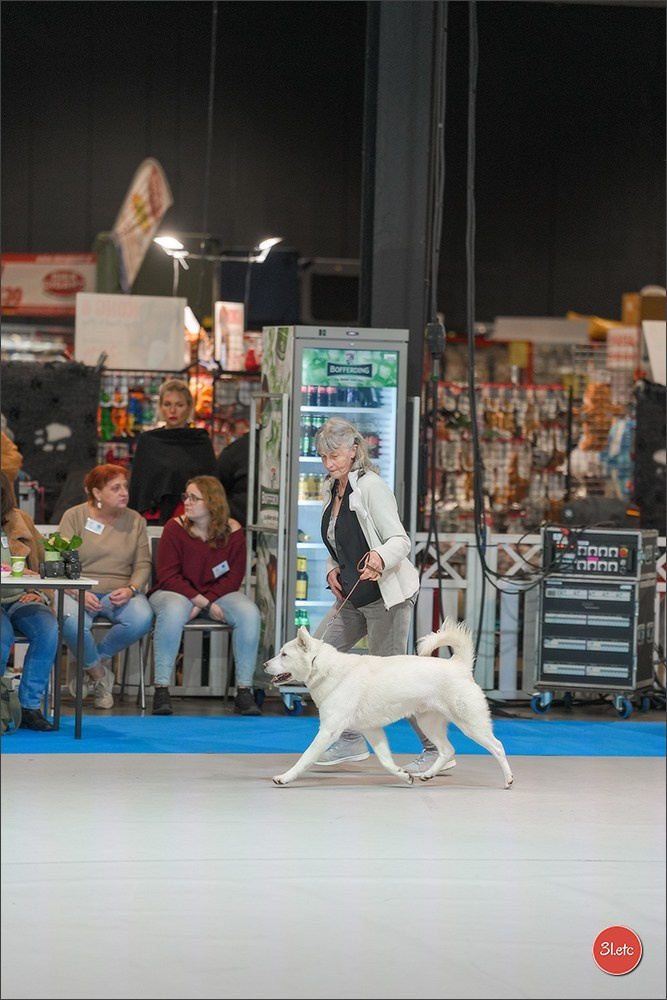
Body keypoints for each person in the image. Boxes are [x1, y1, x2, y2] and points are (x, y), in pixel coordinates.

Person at [311, 416, 456, 774]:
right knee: (318, 656)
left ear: (354, 450)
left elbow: (400, 542)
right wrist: (333, 566)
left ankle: (437, 749)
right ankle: (350, 741)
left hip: (386, 598)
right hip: (353, 596)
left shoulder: (371, 486)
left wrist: (378, 557)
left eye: (335, 455)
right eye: (323, 457)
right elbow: (339, 540)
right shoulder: (333, 488)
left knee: (394, 681)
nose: (329, 463)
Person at [148, 475, 261, 717]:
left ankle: (244, 690)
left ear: (212, 503)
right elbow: (168, 577)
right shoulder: (174, 528)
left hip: (216, 594)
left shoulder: (233, 531)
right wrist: (202, 602)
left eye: (194, 498)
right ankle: (161, 688)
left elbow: (233, 578)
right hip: (173, 592)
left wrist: (204, 604)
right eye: (185, 496)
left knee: (249, 612)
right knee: (176, 608)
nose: (186, 502)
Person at [58, 464, 154, 709]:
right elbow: (61, 558)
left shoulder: (135, 521)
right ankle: (100, 676)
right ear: (97, 493)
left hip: (119, 591)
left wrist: (132, 589)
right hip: (79, 588)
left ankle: (89, 664)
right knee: (70, 618)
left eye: (125, 487)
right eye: (115, 488)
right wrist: (76, 590)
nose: (124, 492)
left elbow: (143, 564)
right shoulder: (75, 516)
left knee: (143, 616)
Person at [0, 470, 58, 731]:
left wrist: (42, 592)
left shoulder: (21, 519)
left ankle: (29, 706)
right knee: (1, 635)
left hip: (21, 597)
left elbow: (45, 561)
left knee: (48, 628)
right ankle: (2, 706)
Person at [128, 378, 217, 525]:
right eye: (167, 404)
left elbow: (211, 486)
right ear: (160, 407)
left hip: (194, 519)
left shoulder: (200, 441)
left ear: (189, 407)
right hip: (154, 518)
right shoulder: (149, 441)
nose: (173, 410)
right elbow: (139, 486)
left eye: (179, 405)